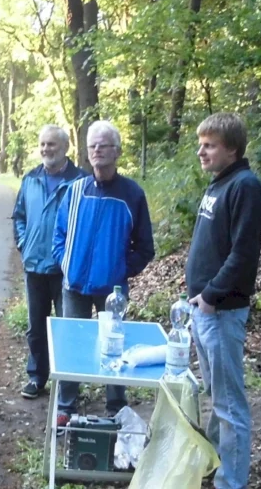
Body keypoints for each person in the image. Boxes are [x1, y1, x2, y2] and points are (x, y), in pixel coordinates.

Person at [186, 113, 261, 489]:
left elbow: (243, 254)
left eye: (210, 145)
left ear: (231, 148)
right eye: (201, 144)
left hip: (222, 311)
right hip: (204, 310)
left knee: (230, 405)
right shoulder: (219, 183)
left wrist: (212, 296)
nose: (201, 151)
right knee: (217, 400)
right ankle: (218, 467)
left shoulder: (245, 186)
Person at [52, 120, 155, 426]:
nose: (97, 150)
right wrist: (66, 264)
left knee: (114, 345)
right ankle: (66, 406)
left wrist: (119, 270)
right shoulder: (75, 191)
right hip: (74, 286)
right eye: (92, 145)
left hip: (112, 291)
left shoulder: (132, 194)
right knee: (72, 344)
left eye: (104, 145)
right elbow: (59, 236)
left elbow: (145, 247)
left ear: (117, 151)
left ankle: (116, 406)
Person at [12, 125, 88, 400]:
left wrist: (74, 256)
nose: (46, 149)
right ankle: (37, 377)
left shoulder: (81, 181)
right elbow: (19, 216)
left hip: (66, 269)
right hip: (34, 265)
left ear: (65, 147)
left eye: (52, 144)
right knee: (36, 327)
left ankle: (68, 385)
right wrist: (24, 243)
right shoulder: (30, 179)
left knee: (67, 327)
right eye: (43, 144)